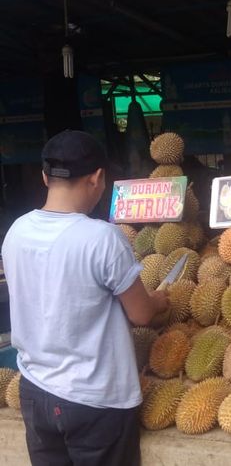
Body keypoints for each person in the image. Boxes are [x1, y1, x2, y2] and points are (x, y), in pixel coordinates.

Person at [1, 130, 169, 466]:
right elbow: (141, 314)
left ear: (45, 176)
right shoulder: (102, 238)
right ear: (97, 178)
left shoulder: (16, 230)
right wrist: (160, 299)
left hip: (36, 392)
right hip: (95, 401)